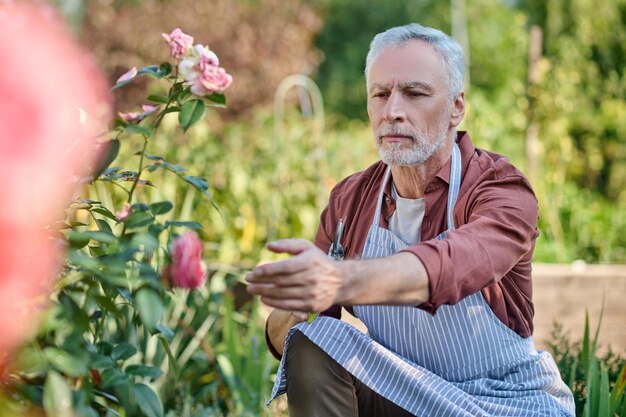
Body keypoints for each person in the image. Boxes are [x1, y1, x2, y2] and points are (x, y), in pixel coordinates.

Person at [246, 23, 575, 417]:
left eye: (414, 93)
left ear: (457, 107)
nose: (393, 111)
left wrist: (341, 278)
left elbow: (453, 264)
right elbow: (297, 344)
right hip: (409, 395)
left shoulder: (498, 189)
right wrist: (293, 304)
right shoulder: (350, 202)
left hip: (506, 402)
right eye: (380, 94)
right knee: (315, 338)